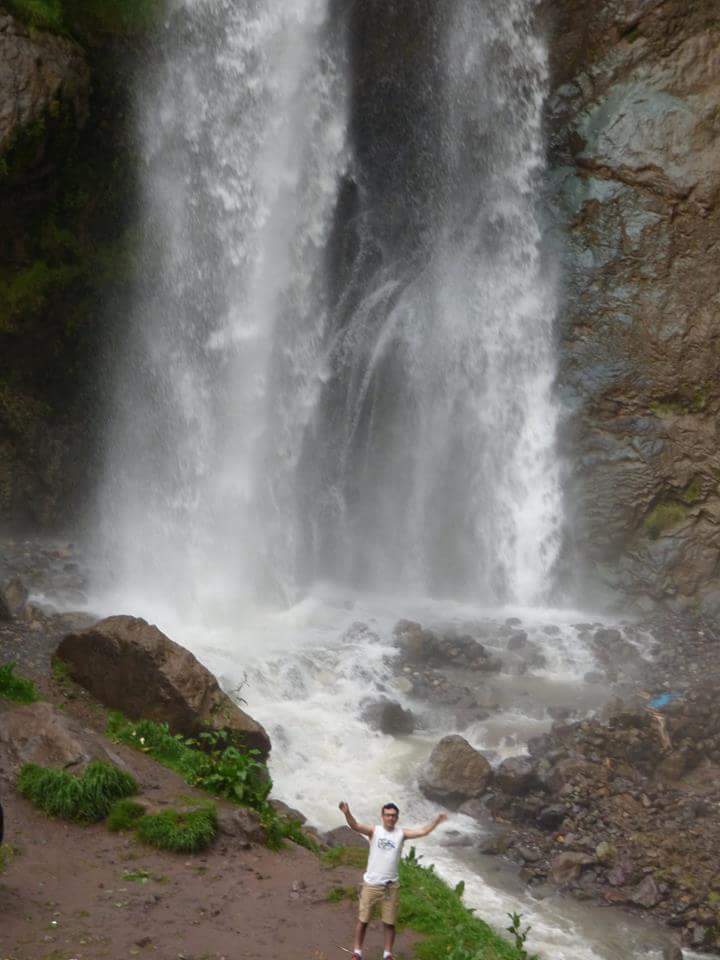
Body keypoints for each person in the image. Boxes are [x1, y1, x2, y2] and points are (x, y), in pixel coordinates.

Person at [338, 800, 447, 960]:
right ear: (382, 816)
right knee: (363, 921)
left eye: (393, 815)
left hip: (390, 887)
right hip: (371, 884)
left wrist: (436, 821)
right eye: (388, 815)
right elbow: (355, 825)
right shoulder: (374, 831)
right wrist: (347, 813)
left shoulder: (401, 834)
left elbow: (423, 831)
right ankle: (357, 952)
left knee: (389, 923)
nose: (390, 818)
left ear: (397, 817)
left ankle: (388, 954)